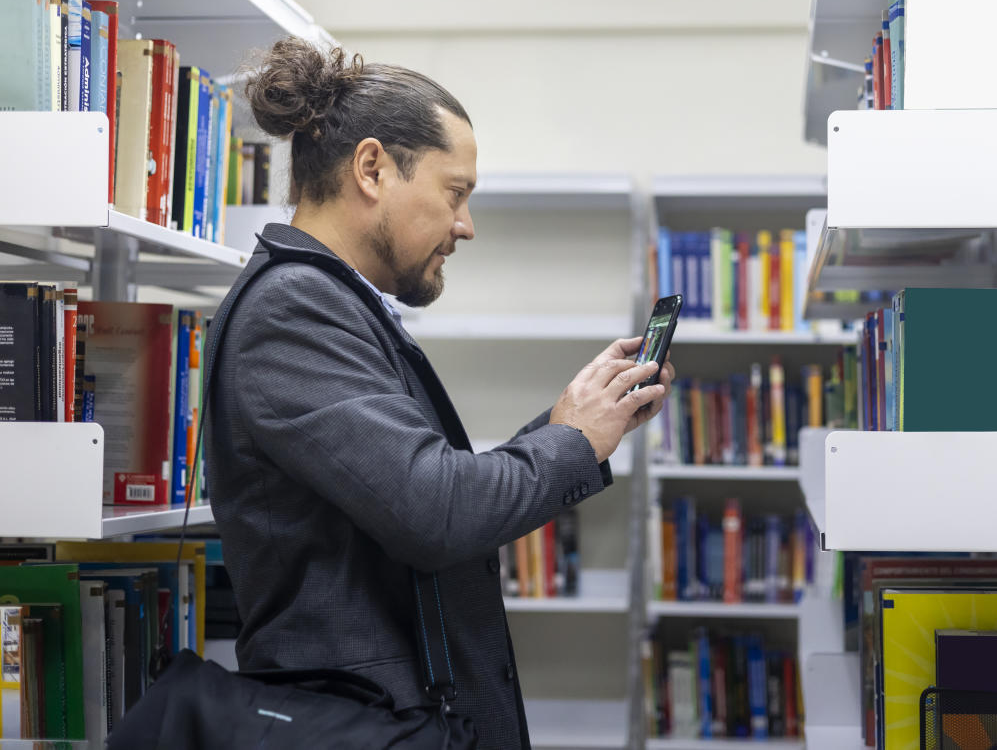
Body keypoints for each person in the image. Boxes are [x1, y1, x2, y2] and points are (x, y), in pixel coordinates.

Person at [203, 37, 673, 749]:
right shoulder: (293, 310)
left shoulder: (334, 301)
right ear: (373, 168)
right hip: (359, 726)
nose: (466, 225)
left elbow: (418, 486)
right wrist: (575, 441)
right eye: (455, 193)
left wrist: (570, 420)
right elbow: (436, 512)